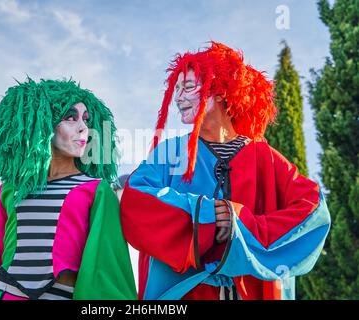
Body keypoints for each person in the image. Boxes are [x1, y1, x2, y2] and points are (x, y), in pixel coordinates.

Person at [120, 41, 331, 300]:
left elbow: (313, 210)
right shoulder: (170, 152)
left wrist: (240, 224)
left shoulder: (263, 156)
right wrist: (204, 214)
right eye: (176, 90)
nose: (178, 97)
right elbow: (135, 198)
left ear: (219, 91)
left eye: (187, 87)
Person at [0, 78, 137, 300]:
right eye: (70, 117)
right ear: (42, 124)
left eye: (86, 119)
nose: (84, 128)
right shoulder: (9, 192)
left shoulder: (97, 191)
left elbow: (106, 268)